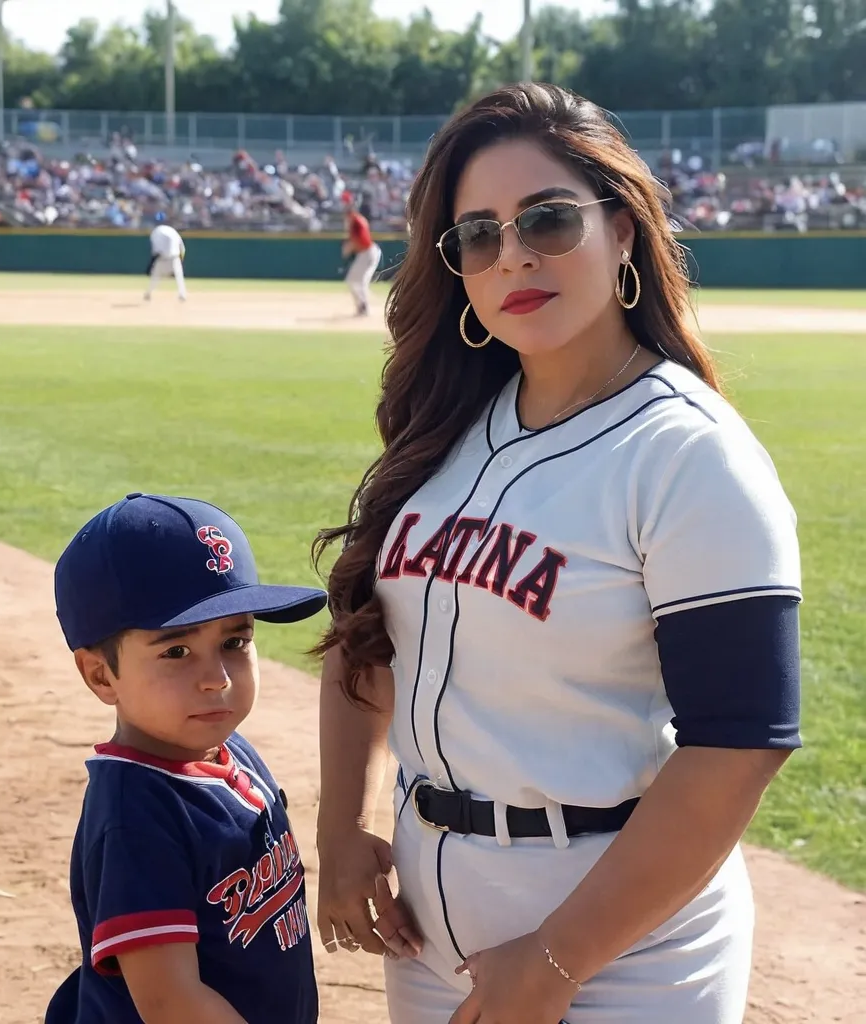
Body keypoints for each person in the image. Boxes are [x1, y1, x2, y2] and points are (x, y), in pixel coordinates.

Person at [313, 82, 802, 1024]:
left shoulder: (690, 455)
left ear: (622, 230)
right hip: (430, 934)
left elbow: (738, 744)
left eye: (548, 219)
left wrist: (553, 961)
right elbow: (367, 636)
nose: (515, 256)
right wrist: (341, 827)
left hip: (619, 952)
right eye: (480, 235)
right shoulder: (448, 426)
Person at [46, 493, 332, 1024]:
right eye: (176, 651)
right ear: (100, 675)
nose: (217, 678)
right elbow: (171, 1002)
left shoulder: (227, 750)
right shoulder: (136, 815)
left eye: (235, 641)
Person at [341, 192, 382, 316]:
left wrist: (349, 247)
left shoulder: (357, 221)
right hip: (365, 253)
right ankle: (361, 306)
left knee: (361, 282)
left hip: (369, 252)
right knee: (352, 280)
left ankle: (364, 308)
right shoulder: (355, 221)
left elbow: (362, 241)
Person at [145, 215, 187, 302]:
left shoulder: (156, 232)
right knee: (179, 276)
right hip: (175, 258)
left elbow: (156, 251)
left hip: (162, 259)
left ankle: (148, 293)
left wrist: (150, 264)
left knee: (155, 277)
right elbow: (182, 248)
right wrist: (181, 261)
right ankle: (182, 294)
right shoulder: (173, 231)